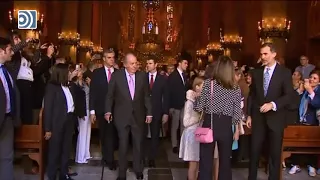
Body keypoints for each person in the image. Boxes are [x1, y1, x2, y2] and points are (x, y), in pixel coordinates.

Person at [246, 43, 292, 180]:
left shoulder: (285, 73)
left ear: (274, 54)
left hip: (276, 118)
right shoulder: (257, 72)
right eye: (261, 54)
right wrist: (249, 115)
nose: (263, 57)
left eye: (265, 54)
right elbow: (252, 95)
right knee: (254, 151)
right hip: (258, 117)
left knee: (274, 153)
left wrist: (273, 104)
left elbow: (288, 95)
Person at [194, 56, 242, 180]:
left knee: (206, 162)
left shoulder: (208, 84)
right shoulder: (235, 88)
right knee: (225, 163)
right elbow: (237, 112)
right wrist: (236, 130)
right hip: (226, 125)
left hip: (210, 123)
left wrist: (197, 97)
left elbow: (199, 107)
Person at [105, 53, 152, 180]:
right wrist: (108, 111)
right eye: (132, 63)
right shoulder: (117, 76)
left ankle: (138, 170)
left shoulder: (142, 76)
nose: (134, 66)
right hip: (122, 116)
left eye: (136, 63)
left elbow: (147, 96)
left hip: (138, 116)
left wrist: (149, 112)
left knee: (138, 144)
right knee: (123, 145)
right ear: (125, 64)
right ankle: (122, 174)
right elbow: (110, 95)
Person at [43, 63, 79, 180]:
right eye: (68, 71)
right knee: (54, 151)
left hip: (68, 120)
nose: (69, 73)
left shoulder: (68, 85)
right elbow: (48, 108)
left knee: (66, 149)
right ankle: (52, 175)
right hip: (56, 123)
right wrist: (48, 129)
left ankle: (64, 175)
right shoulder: (52, 87)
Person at [89, 49, 118, 170]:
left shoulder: (119, 73)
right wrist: (92, 111)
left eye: (113, 57)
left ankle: (109, 158)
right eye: (109, 57)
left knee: (112, 135)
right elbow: (93, 93)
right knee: (104, 134)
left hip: (116, 109)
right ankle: (107, 157)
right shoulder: (97, 73)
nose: (112, 59)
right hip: (101, 109)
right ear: (104, 59)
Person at [0, 37, 20, 180]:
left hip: (7, 119)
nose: (11, 52)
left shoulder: (7, 70)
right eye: (9, 50)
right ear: (1, 51)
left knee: (7, 157)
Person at [144, 57, 169, 167]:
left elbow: (166, 97)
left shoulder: (162, 79)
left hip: (157, 111)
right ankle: (142, 156)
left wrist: (165, 112)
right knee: (142, 135)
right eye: (147, 63)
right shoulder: (142, 77)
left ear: (156, 64)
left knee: (155, 135)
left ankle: (152, 158)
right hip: (143, 111)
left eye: (150, 63)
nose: (148, 65)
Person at [179, 77, 204, 180]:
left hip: (200, 133)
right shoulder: (189, 102)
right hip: (191, 135)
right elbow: (185, 122)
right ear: (197, 87)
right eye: (203, 86)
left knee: (198, 162)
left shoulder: (202, 100)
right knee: (193, 163)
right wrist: (198, 118)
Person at [168, 55, 189, 153]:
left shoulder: (184, 75)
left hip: (183, 103)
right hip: (176, 104)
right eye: (185, 63)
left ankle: (182, 144)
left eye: (187, 63)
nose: (186, 65)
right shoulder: (173, 76)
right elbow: (169, 92)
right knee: (175, 125)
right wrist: (170, 106)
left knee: (183, 125)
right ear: (179, 63)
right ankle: (174, 145)